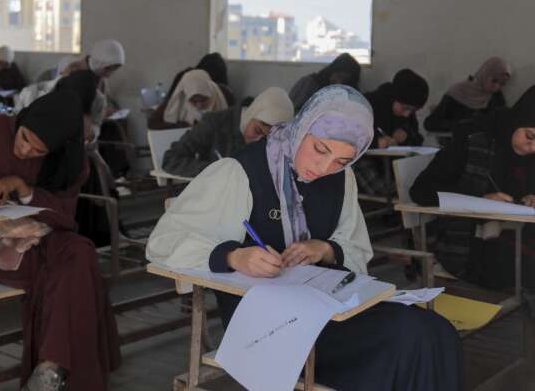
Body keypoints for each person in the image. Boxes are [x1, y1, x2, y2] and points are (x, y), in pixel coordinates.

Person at [146, 85, 463, 391]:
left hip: (328, 307)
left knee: (438, 332)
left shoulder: (342, 178)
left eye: (341, 160)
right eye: (320, 150)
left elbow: (355, 247)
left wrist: (324, 249)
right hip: (266, 324)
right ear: (302, 127)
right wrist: (234, 256)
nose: (324, 167)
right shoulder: (238, 172)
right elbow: (164, 241)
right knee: (409, 337)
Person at [0, 91, 120, 391]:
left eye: (37, 151)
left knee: (80, 252)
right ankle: (52, 372)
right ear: (23, 120)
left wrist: (23, 188)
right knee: (76, 267)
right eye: (25, 138)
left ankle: (50, 367)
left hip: (43, 237)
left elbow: (65, 217)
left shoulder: (66, 161)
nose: (25, 150)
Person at [411, 86, 535, 289]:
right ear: (517, 120)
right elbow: (421, 190)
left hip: (514, 233)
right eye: (529, 136)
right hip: (468, 241)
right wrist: (480, 199)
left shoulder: (531, 156)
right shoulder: (473, 139)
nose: (533, 148)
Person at [162, 87, 294, 178]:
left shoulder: (277, 144)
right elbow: (171, 159)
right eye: (257, 130)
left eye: (267, 139)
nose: (257, 141)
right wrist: (217, 170)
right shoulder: (215, 123)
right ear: (253, 113)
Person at [353, 68, 429, 196]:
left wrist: (407, 136)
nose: (407, 114)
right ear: (395, 97)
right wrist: (375, 142)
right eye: (405, 108)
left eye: (412, 111)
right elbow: (348, 138)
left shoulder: (406, 112)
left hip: (390, 165)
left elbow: (418, 140)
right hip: (366, 163)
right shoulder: (365, 105)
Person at [424, 57, 511, 133]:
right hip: (455, 145)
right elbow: (431, 123)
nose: (496, 87)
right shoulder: (458, 91)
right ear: (485, 74)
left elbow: (501, 123)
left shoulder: (495, 97)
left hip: (483, 148)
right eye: (494, 81)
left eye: (502, 84)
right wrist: (461, 126)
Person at [148, 69, 228, 130]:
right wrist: (182, 125)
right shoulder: (178, 99)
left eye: (204, 100)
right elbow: (152, 123)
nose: (199, 106)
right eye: (193, 101)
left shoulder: (220, 97)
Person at [288, 53, 361, 113]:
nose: (339, 82)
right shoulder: (308, 83)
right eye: (338, 76)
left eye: (345, 80)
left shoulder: (350, 94)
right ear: (331, 72)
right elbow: (291, 109)